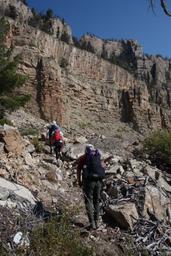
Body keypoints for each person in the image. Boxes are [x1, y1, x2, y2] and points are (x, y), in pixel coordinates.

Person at [77, 144, 105, 230]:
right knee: (96, 200)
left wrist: (79, 181)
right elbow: (102, 167)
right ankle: (97, 221)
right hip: (99, 182)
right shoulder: (97, 156)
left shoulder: (83, 158)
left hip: (89, 182)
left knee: (88, 201)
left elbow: (78, 170)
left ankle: (92, 223)